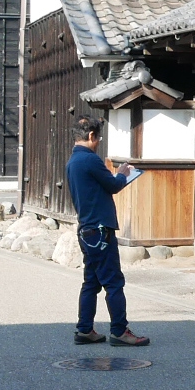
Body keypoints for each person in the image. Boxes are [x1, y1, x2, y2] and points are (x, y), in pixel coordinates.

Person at [67, 115, 147, 346]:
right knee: (113, 282)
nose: (98, 142)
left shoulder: (73, 161)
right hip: (101, 229)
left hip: (86, 228)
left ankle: (84, 329)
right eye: (98, 138)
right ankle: (120, 331)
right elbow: (113, 186)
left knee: (91, 282)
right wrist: (122, 173)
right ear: (91, 136)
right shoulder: (90, 160)